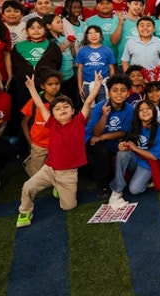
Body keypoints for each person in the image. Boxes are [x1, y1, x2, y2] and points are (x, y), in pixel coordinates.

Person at [16, 75, 98, 227]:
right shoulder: (52, 124)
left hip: (68, 174)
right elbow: (40, 106)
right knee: (27, 187)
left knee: (68, 206)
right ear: (52, 114)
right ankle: (25, 211)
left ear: (73, 110)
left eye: (66, 107)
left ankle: (57, 187)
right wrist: (31, 87)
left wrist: (98, 84)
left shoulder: (79, 122)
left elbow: (87, 102)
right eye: (58, 109)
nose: (62, 110)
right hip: (49, 169)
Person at [107, 99, 160, 209]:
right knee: (122, 153)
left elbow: (154, 157)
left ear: (153, 110)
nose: (145, 111)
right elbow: (128, 143)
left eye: (148, 108)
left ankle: (148, 179)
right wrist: (121, 145)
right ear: (137, 114)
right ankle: (117, 190)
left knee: (134, 190)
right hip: (136, 160)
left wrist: (135, 148)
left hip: (149, 163)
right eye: (141, 110)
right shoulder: (134, 126)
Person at [84, 75, 135, 195]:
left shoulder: (129, 110)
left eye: (123, 90)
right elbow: (96, 133)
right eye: (114, 90)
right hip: (93, 142)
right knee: (102, 149)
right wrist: (104, 116)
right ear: (109, 93)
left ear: (128, 93)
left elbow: (123, 132)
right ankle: (102, 186)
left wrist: (103, 137)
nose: (119, 94)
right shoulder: (100, 107)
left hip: (110, 140)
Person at [120, 16, 160, 82]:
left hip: (155, 78)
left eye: (148, 25)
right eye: (142, 25)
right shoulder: (130, 42)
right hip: (137, 80)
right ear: (137, 28)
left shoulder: (159, 42)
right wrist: (128, 76)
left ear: (154, 28)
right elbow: (124, 60)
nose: (145, 28)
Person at [75, 25, 115, 102]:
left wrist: (111, 86)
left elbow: (111, 69)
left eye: (96, 33)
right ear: (86, 36)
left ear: (101, 35)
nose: (94, 36)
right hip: (87, 85)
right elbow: (79, 70)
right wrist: (80, 87)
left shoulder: (107, 50)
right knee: (88, 108)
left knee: (103, 107)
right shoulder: (82, 51)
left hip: (103, 85)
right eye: (90, 33)